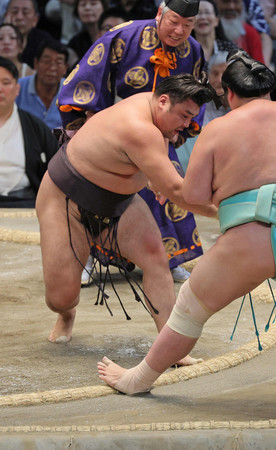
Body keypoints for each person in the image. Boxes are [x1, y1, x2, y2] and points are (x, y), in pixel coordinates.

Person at [97, 50, 276, 420]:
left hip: (245, 242)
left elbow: (192, 196)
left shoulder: (218, 128)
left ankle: (138, 379)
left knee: (189, 312)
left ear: (229, 94)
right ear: (270, 89)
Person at [36, 74, 217, 366]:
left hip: (120, 202)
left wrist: (151, 177)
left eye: (191, 118)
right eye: (184, 116)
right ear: (163, 101)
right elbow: (175, 190)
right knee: (60, 297)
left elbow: (138, 162)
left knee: (157, 257)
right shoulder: (140, 128)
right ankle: (66, 315)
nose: (187, 125)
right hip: (66, 199)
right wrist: (227, 211)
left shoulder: (153, 112)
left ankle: (170, 346)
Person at [58, 0, 208, 284]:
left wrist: (178, 129)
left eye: (187, 26)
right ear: (159, 13)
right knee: (97, 193)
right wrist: (88, 124)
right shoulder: (124, 36)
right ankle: (88, 255)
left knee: (170, 184)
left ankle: (168, 257)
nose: (179, 31)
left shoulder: (193, 51)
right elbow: (88, 77)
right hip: (114, 130)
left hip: (160, 134)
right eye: (173, 21)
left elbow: (194, 98)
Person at [0, 57, 58, 207]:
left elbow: (56, 169)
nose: (0, 89)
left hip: (25, 202)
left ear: (17, 89)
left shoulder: (35, 127)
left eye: (5, 83)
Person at [15, 39, 69, 130]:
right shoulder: (18, 88)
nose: (52, 68)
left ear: (65, 68)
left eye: (59, 63)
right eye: (47, 61)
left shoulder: (72, 91)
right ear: (36, 63)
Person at [3, 0, 53, 68]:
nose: (19, 17)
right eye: (14, 12)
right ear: (6, 15)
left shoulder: (44, 41)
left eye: (25, 12)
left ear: (35, 19)